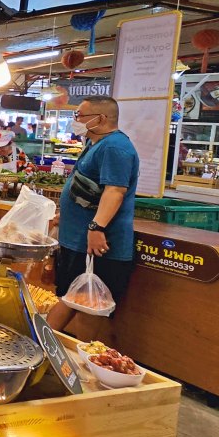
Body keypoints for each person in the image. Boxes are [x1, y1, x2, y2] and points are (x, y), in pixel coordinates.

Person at [47, 96, 140, 332]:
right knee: (72, 296)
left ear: (101, 118)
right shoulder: (95, 144)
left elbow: (115, 191)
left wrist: (96, 228)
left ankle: (45, 347)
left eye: (79, 116)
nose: (75, 121)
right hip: (77, 240)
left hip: (98, 244)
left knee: (79, 300)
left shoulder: (116, 148)